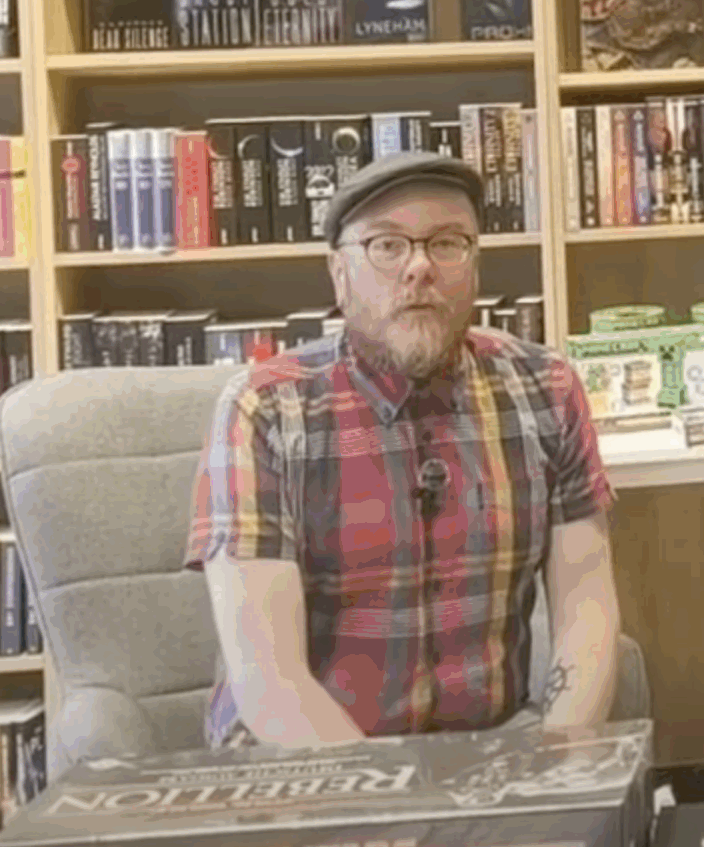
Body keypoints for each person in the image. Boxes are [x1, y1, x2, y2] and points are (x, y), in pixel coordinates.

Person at [184, 151, 622, 748]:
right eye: (386, 246)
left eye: (447, 243)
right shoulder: (264, 409)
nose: (419, 267)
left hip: (488, 752)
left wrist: (560, 765)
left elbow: (586, 614)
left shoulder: (546, 389)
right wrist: (399, 800)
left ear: (475, 266)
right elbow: (271, 683)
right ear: (339, 275)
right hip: (299, 762)